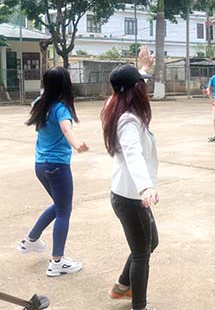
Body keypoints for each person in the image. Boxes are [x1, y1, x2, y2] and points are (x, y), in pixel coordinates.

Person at [101, 49, 159, 310]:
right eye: (141, 84)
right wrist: (145, 187)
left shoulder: (115, 105)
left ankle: (122, 287)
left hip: (127, 194)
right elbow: (133, 153)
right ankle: (139, 305)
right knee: (141, 253)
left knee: (151, 241)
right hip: (131, 196)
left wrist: (143, 69)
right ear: (135, 89)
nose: (145, 87)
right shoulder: (128, 120)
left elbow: (128, 85)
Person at [19, 67, 89, 277]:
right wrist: (77, 144)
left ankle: (31, 240)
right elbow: (66, 129)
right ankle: (57, 261)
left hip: (41, 165)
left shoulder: (38, 103)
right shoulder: (61, 108)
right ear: (66, 85)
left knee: (60, 206)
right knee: (63, 211)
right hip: (57, 166)